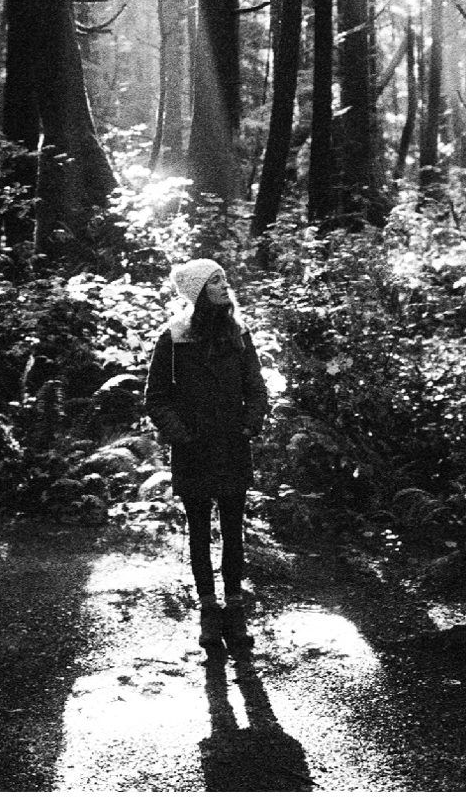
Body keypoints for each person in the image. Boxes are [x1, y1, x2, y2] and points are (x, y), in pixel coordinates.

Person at [144, 258, 271, 656]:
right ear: (198, 291)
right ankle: (208, 610)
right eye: (215, 280)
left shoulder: (239, 333)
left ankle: (235, 607)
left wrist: (250, 424)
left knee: (233, 528)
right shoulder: (174, 337)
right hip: (193, 450)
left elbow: (257, 386)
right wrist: (182, 436)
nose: (224, 284)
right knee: (198, 529)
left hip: (233, 444)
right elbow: (157, 398)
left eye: (224, 278)